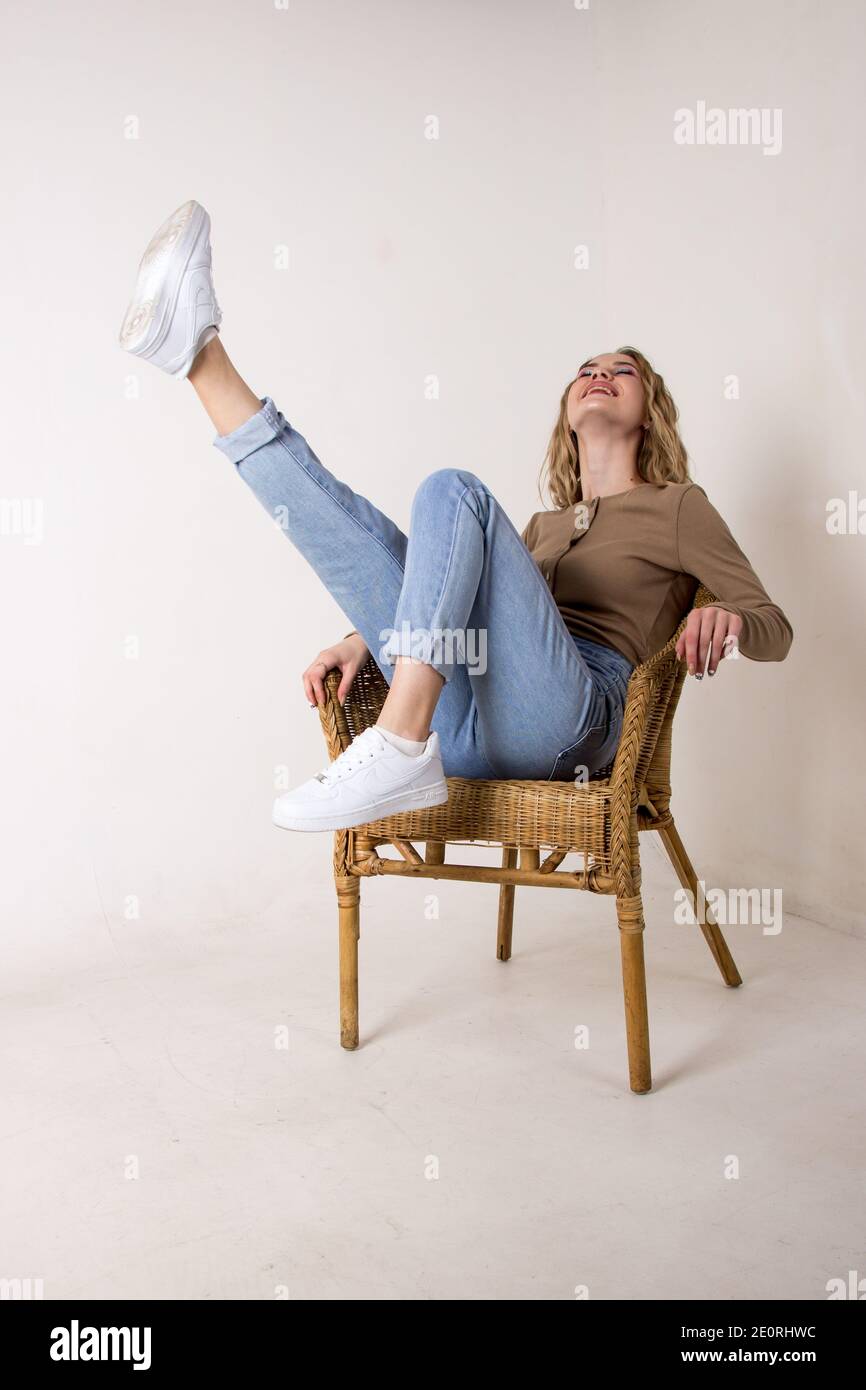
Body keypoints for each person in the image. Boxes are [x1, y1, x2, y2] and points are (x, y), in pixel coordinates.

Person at [119, 199, 793, 833]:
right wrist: (363, 639)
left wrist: (728, 617)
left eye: (623, 372)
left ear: (649, 412)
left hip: (575, 728)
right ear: (566, 410)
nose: (599, 374)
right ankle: (199, 355)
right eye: (586, 369)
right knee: (363, 528)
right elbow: (447, 600)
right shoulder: (541, 529)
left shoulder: (677, 506)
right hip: (468, 730)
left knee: (452, 490)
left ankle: (398, 740)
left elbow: (776, 628)